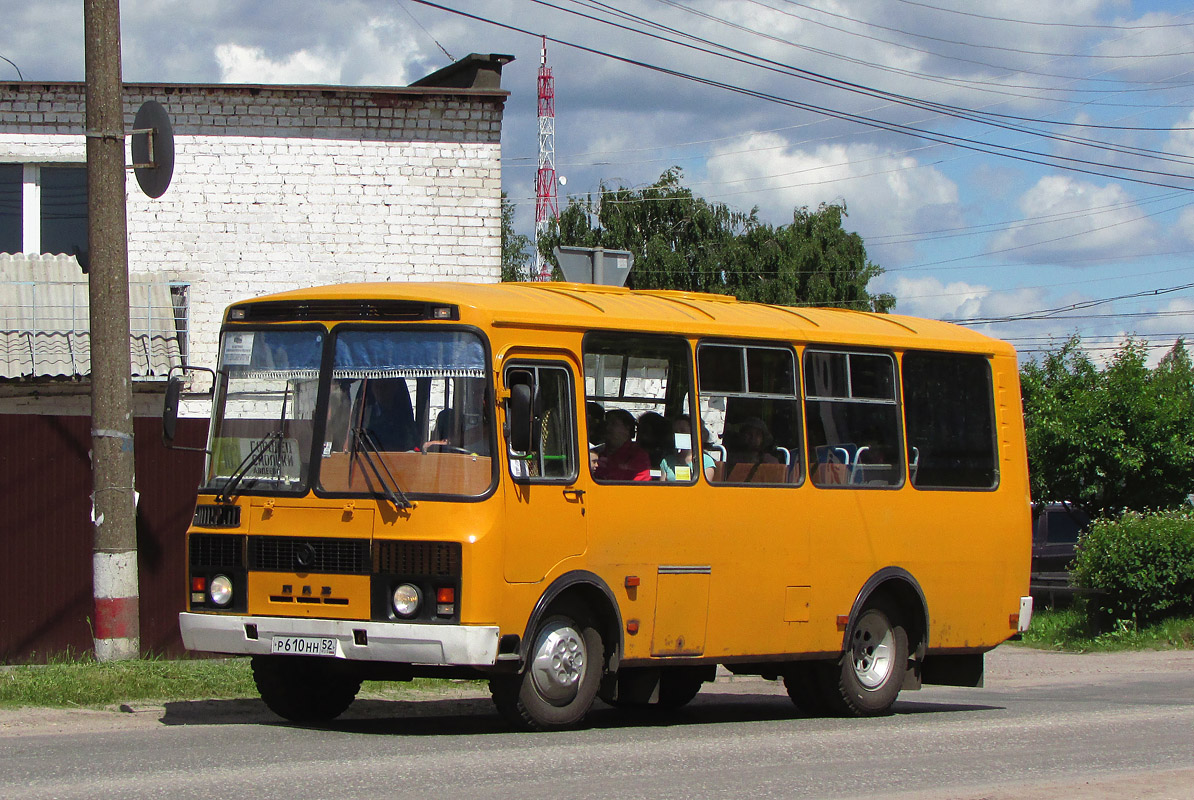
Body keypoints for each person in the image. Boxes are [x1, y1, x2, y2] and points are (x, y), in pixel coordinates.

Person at [593, 408, 651, 481]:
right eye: (606, 424)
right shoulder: (598, 452)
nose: (607, 428)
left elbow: (638, 484)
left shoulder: (638, 455)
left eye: (613, 424)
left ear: (627, 428)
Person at [660, 415, 716, 482]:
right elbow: (662, 487)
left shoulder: (706, 461)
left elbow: (703, 490)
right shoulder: (667, 461)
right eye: (676, 431)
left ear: (694, 434)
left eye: (683, 431)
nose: (678, 434)